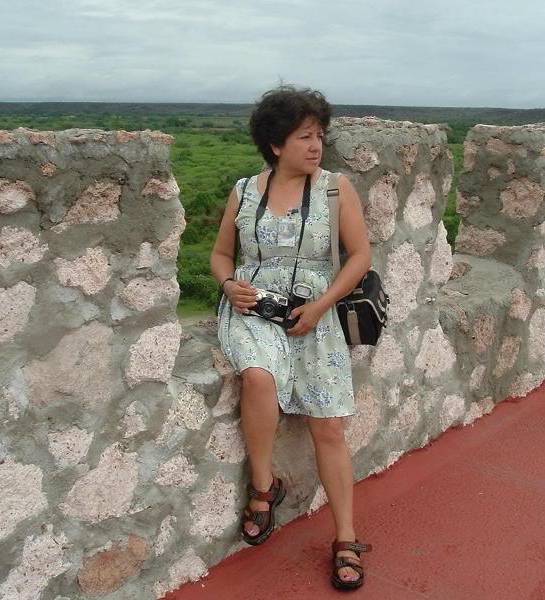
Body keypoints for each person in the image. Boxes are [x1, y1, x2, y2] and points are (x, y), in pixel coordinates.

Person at [210, 86, 373, 590]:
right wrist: (229, 285)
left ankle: (346, 537)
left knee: (329, 429)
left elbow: (360, 256)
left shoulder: (335, 189)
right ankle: (264, 488)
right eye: (304, 137)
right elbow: (220, 255)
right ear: (276, 144)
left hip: (315, 312)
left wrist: (321, 307)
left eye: (319, 135)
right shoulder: (245, 190)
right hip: (254, 309)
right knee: (259, 377)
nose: (316, 145)